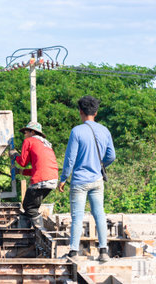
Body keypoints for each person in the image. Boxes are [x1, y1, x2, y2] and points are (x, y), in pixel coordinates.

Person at [58, 95, 116, 262]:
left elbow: (70, 158)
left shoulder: (76, 131)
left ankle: (74, 252)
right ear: (96, 112)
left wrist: (63, 178)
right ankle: (104, 251)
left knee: (77, 216)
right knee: (99, 214)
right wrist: (100, 165)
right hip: (97, 180)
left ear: (80, 112)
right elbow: (112, 155)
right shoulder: (105, 130)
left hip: (79, 181)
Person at [10, 121, 58, 229]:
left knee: (29, 207)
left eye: (26, 132)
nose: (24, 135)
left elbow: (22, 162)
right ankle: (23, 231)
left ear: (32, 132)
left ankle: (39, 231)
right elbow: (39, 168)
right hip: (52, 178)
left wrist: (15, 155)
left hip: (41, 180)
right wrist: (22, 172)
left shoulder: (29, 141)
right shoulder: (45, 143)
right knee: (29, 207)